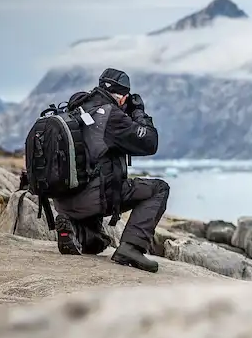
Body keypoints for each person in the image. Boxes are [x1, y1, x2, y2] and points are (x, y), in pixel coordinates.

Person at [48, 67, 169, 272]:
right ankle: (131, 247)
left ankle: (73, 228)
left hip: (64, 198)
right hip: (95, 197)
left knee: (98, 243)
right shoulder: (111, 116)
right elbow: (149, 142)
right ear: (123, 96)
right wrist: (139, 113)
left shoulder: (76, 108)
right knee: (160, 188)